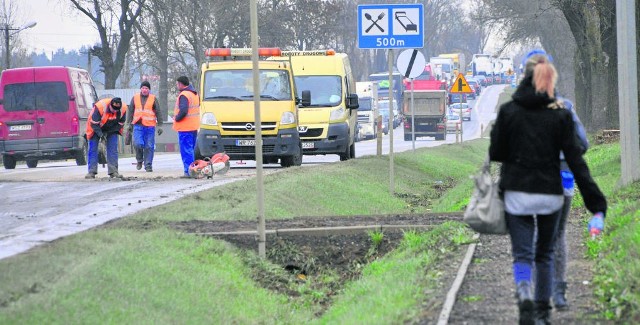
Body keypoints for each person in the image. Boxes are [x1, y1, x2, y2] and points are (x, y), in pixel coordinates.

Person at [489, 53, 607, 324]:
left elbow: (496, 152)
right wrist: (596, 202)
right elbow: (576, 160)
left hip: (516, 194)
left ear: (524, 76)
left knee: (522, 253)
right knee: (544, 254)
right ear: (549, 78)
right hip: (550, 195)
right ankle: (542, 313)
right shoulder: (562, 115)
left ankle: (523, 290)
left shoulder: (508, 112)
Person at [85, 97, 128, 179]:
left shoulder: (123, 109)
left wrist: (109, 133)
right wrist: (101, 135)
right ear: (110, 106)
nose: (115, 111)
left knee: (113, 149)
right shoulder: (100, 107)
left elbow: (120, 124)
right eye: (113, 109)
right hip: (95, 127)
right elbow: (94, 124)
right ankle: (91, 172)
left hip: (111, 129)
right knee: (93, 148)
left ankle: (113, 171)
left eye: (116, 110)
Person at [126, 81, 163, 172]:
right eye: (143, 88)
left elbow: (158, 111)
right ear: (140, 89)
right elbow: (131, 111)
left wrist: (160, 125)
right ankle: (139, 160)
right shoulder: (135, 98)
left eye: (146, 88)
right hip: (138, 125)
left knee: (149, 146)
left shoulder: (153, 98)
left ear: (149, 90)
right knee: (138, 143)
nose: (144, 90)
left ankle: (148, 165)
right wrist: (129, 124)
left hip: (150, 126)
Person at [173, 76, 200, 178]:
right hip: (193, 126)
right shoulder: (194, 94)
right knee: (191, 149)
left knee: (186, 150)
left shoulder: (184, 95)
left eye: (177, 84)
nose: (177, 86)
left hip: (185, 127)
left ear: (180, 84)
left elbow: (183, 110)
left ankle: (189, 171)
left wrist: (177, 118)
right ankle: (194, 170)